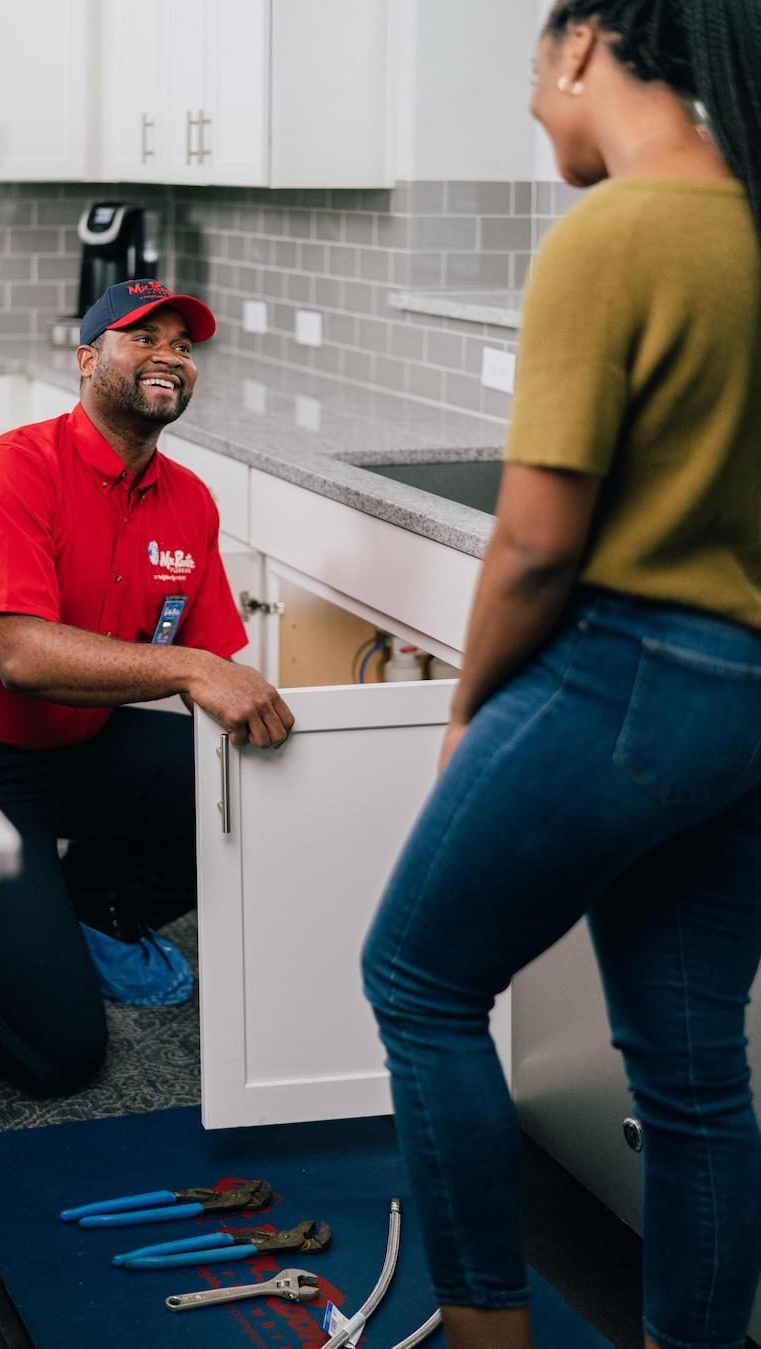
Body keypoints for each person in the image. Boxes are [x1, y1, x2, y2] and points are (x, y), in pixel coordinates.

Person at [362, 4, 761, 1348]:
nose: (535, 104)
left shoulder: (617, 230)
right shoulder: (747, 226)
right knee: (697, 1073)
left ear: (584, 43)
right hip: (742, 702)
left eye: (533, 71)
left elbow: (535, 545)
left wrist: (471, 710)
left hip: (625, 671)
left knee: (418, 979)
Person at [0, 279, 294, 1095]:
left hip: (85, 747)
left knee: (249, 781)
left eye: (183, 347)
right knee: (61, 1055)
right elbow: (23, 656)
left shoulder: (188, 501)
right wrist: (196, 669)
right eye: (143, 337)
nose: (170, 357)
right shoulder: (11, 470)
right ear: (88, 361)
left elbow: (214, 654)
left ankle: (90, 902)